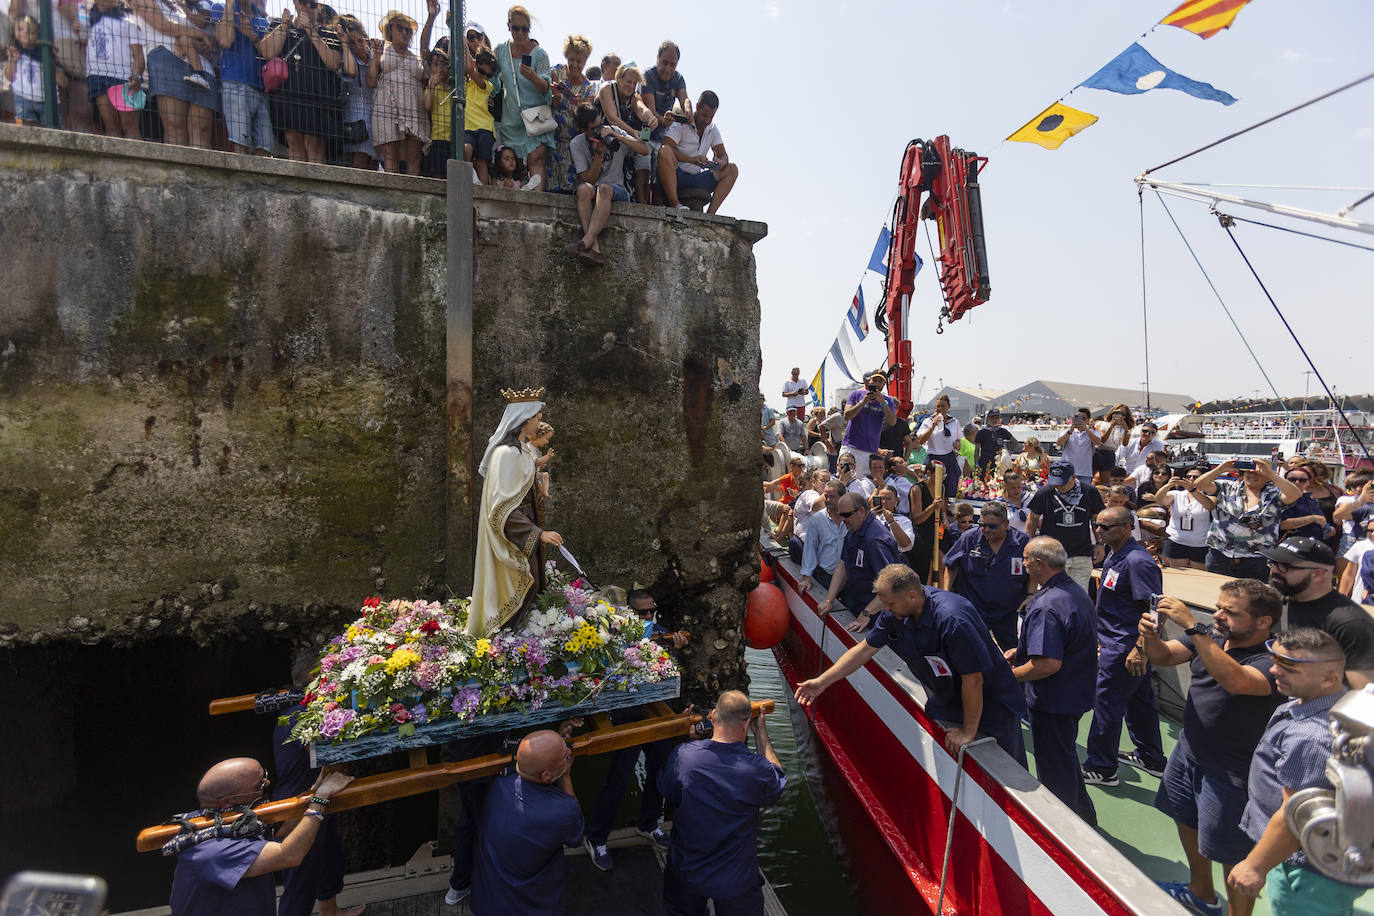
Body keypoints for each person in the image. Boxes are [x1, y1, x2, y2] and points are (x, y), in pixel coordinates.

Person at [1139, 581, 1283, 916]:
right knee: (1185, 818)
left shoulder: (1273, 660)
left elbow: (1238, 681)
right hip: (1189, 751)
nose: (1218, 615)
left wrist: (1194, 626)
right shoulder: (1211, 634)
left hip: (1232, 772)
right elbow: (1163, 656)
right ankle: (1201, 892)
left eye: (1230, 612)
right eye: (1218, 607)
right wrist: (1149, 636)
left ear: (1263, 622)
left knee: (1234, 855)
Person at [797, 564, 1028, 764]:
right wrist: (822, 682)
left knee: (1006, 771)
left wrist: (968, 732)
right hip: (948, 700)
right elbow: (864, 649)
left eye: (889, 603)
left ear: (912, 596)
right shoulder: (896, 613)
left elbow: (974, 679)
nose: (884, 609)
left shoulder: (953, 620)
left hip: (991, 705)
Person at [1228, 629, 1357, 914]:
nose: (1273, 669)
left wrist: (1255, 865)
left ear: (1329, 678)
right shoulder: (1313, 703)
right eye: (1275, 659)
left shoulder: (1312, 737)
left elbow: (1295, 816)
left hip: (1306, 871)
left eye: (1289, 666)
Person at [657, 690, 786, 916]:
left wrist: (691, 744)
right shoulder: (756, 769)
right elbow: (777, 780)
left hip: (688, 870)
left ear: (714, 716)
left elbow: (668, 791)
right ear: (746, 725)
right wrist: (761, 734)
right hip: (735, 879)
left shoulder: (684, 756)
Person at [167, 758, 354, 914]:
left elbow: (284, 829)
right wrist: (320, 799)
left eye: (264, 776)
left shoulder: (235, 823)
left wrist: (314, 791)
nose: (267, 784)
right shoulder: (212, 849)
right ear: (227, 802)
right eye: (259, 785)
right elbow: (289, 855)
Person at [583, 591, 686, 871]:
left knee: (659, 771)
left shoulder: (661, 634)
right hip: (626, 716)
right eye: (642, 613)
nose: (649, 617)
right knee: (619, 777)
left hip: (658, 712)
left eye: (652, 611)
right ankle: (597, 837)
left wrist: (674, 648)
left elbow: (668, 672)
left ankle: (649, 823)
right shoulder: (613, 640)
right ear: (628, 613)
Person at [1009, 536, 1098, 823]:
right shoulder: (1074, 592)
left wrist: (1011, 676)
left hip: (1053, 701)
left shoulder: (1046, 605)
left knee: (1053, 768)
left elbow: (1047, 664)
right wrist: (1021, 650)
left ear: (1038, 564)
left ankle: (1064, 830)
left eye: (1025, 559)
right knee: (1066, 757)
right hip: (1075, 692)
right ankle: (1085, 815)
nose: (1022, 564)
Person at [1080, 506, 1167, 787]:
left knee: (1107, 705)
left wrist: (1140, 648)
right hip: (1115, 640)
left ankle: (1102, 767)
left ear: (1127, 527)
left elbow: (1155, 608)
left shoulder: (1138, 561)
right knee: (1140, 702)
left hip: (1124, 646)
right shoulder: (1116, 554)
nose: (1099, 531)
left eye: (1106, 527)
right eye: (1097, 525)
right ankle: (1151, 757)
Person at [273, 655, 365, 916]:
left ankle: (330, 912)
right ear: (316, 680)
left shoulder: (306, 710)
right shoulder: (299, 716)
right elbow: (328, 746)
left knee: (330, 860)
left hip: (323, 794)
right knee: (300, 879)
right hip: (298, 803)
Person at [469, 389, 563, 636]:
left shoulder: (523, 452)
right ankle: (505, 643)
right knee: (519, 589)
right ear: (524, 420)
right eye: (536, 417)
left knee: (534, 588)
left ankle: (525, 643)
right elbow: (500, 508)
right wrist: (537, 534)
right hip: (514, 538)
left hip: (527, 534)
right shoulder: (506, 454)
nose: (538, 422)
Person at [471, 730, 583, 916]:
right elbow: (576, 836)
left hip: (487, 897)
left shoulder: (499, 784)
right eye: (566, 756)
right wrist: (566, 777)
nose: (569, 756)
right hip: (528, 905)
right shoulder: (563, 811)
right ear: (546, 776)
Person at [1260, 536, 1374, 688]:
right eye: (1273, 564)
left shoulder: (1350, 623)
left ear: (1319, 574)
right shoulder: (1274, 604)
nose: (1274, 571)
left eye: (1285, 566)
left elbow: (1361, 692)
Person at [564, 102, 651, 265]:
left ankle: (587, 240)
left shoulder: (614, 131)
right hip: (594, 187)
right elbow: (588, 180)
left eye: (600, 125)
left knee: (604, 188)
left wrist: (616, 135)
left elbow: (644, 150)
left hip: (617, 189)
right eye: (594, 129)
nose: (600, 130)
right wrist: (598, 155)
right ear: (584, 131)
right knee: (583, 190)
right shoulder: (577, 143)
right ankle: (594, 250)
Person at [259, 0, 342, 163]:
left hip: (317, 98)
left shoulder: (328, 33)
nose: (308, 7)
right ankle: (297, 188)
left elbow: (333, 63)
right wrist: (284, 26)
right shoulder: (281, 24)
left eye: (312, 4)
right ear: (295, 3)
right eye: (303, 2)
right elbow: (267, 52)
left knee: (315, 144)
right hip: (288, 96)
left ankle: (316, 187)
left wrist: (311, 31)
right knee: (293, 141)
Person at [1194, 458, 1302, 580]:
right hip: (1220, 555)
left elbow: (1295, 494)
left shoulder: (1274, 494)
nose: (1251, 475)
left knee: (1252, 597)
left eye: (1257, 472)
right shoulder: (1227, 487)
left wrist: (1272, 474)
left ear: (1267, 476)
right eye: (1248, 471)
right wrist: (1220, 469)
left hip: (1256, 560)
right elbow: (1199, 484)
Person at [130, 0, 217, 147]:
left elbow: (211, 42)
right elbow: (162, 25)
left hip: (204, 67)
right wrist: (199, 34)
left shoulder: (182, 6)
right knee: (175, 130)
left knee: (202, 129)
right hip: (166, 59)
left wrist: (200, 42)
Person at [941, 501, 1028, 648]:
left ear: (1006, 524)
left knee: (1013, 653)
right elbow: (951, 565)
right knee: (972, 650)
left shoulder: (1022, 542)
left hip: (1007, 611)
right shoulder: (969, 538)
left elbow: (1032, 572)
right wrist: (946, 595)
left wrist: (1030, 595)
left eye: (992, 526)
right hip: (975, 609)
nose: (986, 530)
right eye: (982, 524)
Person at [816, 492, 900, 624]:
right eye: (840, 515)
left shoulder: (876, 541)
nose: (842, 519)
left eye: (846, 515)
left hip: (879, 615)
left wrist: (867, 613)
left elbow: (891, 586)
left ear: (861, 511)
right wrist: (828, 600)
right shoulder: (853, 532)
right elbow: (843, 565)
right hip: (857, 605)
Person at [493, 5, 552, 191]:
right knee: (512, 164)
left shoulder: (540, 54)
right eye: (516, 28)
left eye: (525, 29)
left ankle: (538, 203)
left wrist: (532, 76)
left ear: (529, 29)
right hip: (512, 117)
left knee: (536, 158)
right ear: (508, 26)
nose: (520, 33)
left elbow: (546, 88)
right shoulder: (501, 50)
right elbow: (493, 81)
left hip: (537, 114)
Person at [1025, 460, 1105, 592]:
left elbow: (1096, 520)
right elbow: (1032, 519)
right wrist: (1029, 544)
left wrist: (1100, 544)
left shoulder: (1090, 492)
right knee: (1051, 594)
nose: (1059, 487)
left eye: (1063, 482)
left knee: (1078, 596)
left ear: (1074, 477)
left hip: (1081, 554)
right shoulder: (1045, 493)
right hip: (1051, 556)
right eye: (1055, 482)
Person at [658, 90, 738, 214]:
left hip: (698, 178)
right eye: (704, 115)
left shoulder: (712, 129)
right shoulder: (682, 123)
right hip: (678, 175)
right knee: (664, 151)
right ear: (697, 107)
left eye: (711, 117)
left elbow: (724, 155)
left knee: (732, 169)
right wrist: (691, 160)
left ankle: (711, 215)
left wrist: (720, 162)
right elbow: (666, 147)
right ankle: (676, 205)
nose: (707, 120)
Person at [368, 9, 427, 174]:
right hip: (386, 103)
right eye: (400, 28)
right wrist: (375, 57)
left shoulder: (416, 58)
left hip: (414, 105)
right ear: (390, 31)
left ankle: (412, 192)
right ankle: (390, 189)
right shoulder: (381, 52)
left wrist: (430, 16)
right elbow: (371, 81)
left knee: (414, 153)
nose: (405, 32)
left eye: (408, 30)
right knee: (389, 152)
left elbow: (425, 75)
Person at [596, 62, 657, 201]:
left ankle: (642, 204)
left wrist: (651, 118)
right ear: (619, 78)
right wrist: (633, 132)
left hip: (621, 137)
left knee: (644, 154)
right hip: (603, 136)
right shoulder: (607, 88)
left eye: (634, 83)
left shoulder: (633, 96)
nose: (631, 86)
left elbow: (642, 109)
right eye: (628, 81)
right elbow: (612, 118)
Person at [87, 0, 147, 140]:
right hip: (97, 75)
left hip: (123, 77)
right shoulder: (88, 20)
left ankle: (137, 160)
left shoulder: (128, 23)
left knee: (129, 125)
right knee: (111, 125)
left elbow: (138, 55)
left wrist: (136, 76)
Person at [546, 34, 596, 194]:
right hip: (552, 135)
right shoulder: (556, 72)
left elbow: (587, 116)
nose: (574, 64)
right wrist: (555, 97)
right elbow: (547, 102)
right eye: (571, 59)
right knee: (551, 187)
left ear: (585, 61)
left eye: (579, 61)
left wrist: (581, 105)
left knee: (570, 191)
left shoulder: (589, 87)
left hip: (574, 142)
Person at [1154, 467, 1215, 569]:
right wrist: (1168, 485)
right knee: (1179, 576)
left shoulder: (1209, 496)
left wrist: (1193, 490)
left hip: (1199, 544)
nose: (1191, 479)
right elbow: (1159, 500)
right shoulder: (1176, 494)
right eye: (1188, 476)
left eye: (1195, 477)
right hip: (1176, 541)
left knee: (1199, 576)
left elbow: (1210, 506)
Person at [840, 371, 898, 475]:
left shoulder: (888, 401)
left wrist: (883, 403)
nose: (877, 383)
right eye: (874, 380)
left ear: (884, 385)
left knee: (865, 483)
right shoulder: (856, 395)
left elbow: (893, 422)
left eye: (880, 381)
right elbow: (847, 416)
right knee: (845, 478)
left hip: (870, 451)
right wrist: (863, 402)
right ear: (869, 381)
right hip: (851, 447)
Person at [461, 45, 499, 182]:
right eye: (481, 71)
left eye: (488, 75)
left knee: (482, 162)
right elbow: (468, 65)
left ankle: (482, 191)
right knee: (466, 151)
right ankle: (469, 182)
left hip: (485, 128)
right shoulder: (465, 83)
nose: (484, 76)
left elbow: (470, 68)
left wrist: (463, 41)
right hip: (467, 127)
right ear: (476, 65)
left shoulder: (486, 86)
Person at [798, 479, 845, 592]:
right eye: (826, 496)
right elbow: (810, 549)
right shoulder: (817, 519)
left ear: (842, 497)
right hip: (824, 576)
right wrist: (806, 577)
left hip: (848, 578)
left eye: (832, 496)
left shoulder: (851, 518)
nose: (828, 500)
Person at [1279, 463, 1330, 543]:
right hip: (1290, 546)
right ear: (1285, 481)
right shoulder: (1280, 499)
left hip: (1313, 545)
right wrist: (1313, 518)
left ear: (1308, 483)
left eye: (1302, 480)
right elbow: (1283, 525)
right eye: (1292, 479)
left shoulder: (1309, 500)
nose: (1297, 482)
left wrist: (1328, 528)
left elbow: (1321, 520)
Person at [1056, 408, 1101, 485]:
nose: (1079, 420)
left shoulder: (1094, 433)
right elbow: (1059, 443)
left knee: (1084, 495)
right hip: (1067, 471)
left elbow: (1097, 442)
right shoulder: (1067, 431)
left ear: (1088, 420)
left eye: (1082, 418)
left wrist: (1086, 430)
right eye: (1076, 417)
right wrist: (1070, 431)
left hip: (1085, 473)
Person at [1339, 515, 1374, 602]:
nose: (1373, 534)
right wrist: (1341, 600)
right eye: (1370, 530)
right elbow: (1349, 575)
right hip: (1361, 602)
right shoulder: (1360, 546)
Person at [1095, 404, 1135, 477]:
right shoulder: (1102, 424)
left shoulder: (1126, 429)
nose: (1119, 415)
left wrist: (1126, 430)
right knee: (1092, 478)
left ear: (1125, 416)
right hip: (1096, 452)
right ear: (1112, 413)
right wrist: (1111, 426)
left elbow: (1125, 443)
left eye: (1123, 414)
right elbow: (1103, 440)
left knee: (1106, 481)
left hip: (1109, 454)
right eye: (1117, 413)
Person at [974, 408, 1017, 474]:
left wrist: (1008, 453)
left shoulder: (1002, 431)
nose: (994, 420)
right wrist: (976, 463)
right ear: (988, 418)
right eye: (992, 417)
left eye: (997, 418)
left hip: (999, 462)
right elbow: (977, 450)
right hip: (984, 462)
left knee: (999, 481)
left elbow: (1014, 441)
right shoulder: (981, 432)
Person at [874, 486, 915, 553]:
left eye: (888, 499)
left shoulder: (903, 520)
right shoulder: (873, 517)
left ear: (896, 500)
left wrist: (892, 522)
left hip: (895, 555)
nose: (884, 502)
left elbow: (906, 544)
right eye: (881, 499)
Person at [994, 468, 1033, 534]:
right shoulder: (999, 504)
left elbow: (1039, 520)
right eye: (1013, 488)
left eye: (1019, 487)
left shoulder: (1029, 497)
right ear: (1005, 486)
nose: (1017, 491)